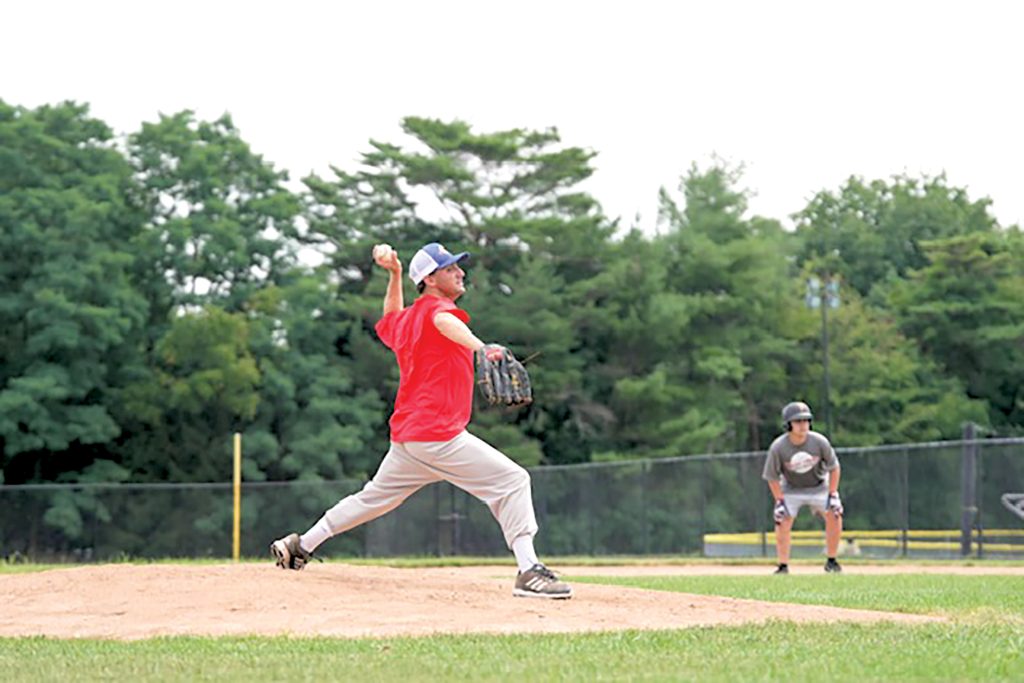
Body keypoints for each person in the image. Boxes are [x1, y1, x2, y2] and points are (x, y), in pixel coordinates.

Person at [270, 242, 572, 599]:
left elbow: (390, 315)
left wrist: (395, 274)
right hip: (437, 434)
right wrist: (481, 347)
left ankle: (300, 545)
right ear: (429, 279)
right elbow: (443, 322)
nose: (460, 272)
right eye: (450, 268)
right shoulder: (437, 310)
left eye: (458, 267)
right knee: (512, 481)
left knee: (372, 498)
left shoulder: (406, 321)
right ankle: (529, 571)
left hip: (410, 437)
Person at [761, 401, 843, 574]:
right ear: (788, 424)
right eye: (798, 421)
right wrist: (780, 501)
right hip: (791, 489)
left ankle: (832, 561)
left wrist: (833, 493)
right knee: (782, 519)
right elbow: (772, 477)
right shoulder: (779, 447)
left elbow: (834, 467)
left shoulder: (819, 441)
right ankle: (783, 566)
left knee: (834, 514)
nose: (803, 424)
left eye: (806, 420)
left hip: (819, 486)